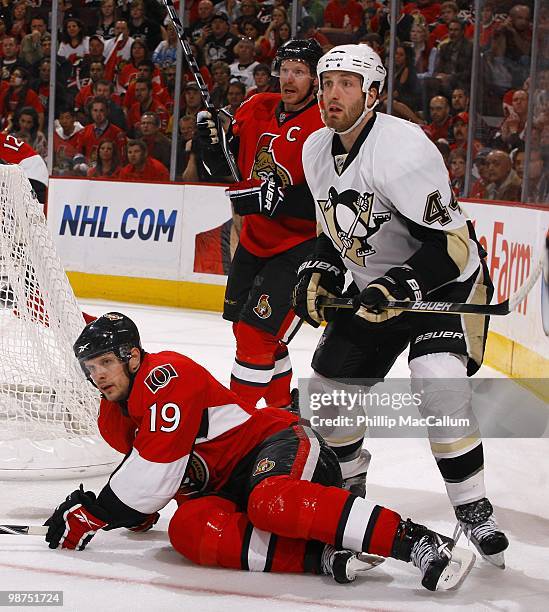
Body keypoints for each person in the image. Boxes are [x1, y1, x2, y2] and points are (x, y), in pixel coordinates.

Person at [43, 312, 475, 593]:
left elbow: (155, 470)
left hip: (279, 445)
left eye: (105, 363)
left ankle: (419, 541)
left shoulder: (165, 376)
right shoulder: (112, 418)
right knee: (188, 530)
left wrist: (98, 512)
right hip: (232, 488)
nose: (97, 375)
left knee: (268, 501)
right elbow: (163, 485)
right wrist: (134, 514)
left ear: (131, 357)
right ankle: (321, 556)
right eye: (90, 367)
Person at [292, 44, 509, 567]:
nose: (332, 94)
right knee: (329, 390)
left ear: (373, 93)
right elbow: (335, 230)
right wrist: (321, 268)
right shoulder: (316, 149)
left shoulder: (403, 149)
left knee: (439, 383)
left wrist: (401, 286)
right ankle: (350, 493)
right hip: (375, 291)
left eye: (347, 83)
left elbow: (453, 247)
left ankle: (473, 507)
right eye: (327, 83)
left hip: (441, 288)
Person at [196, 40, 324, 412]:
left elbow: (329, 194)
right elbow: (225, 168)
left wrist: (281, 198)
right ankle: (283, 409)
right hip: (253, 243)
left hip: (300, 248)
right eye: (285, 69)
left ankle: (237, 425)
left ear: (316, 80)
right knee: (247, 329)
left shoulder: (324, 126)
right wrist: (209, 144)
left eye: (299, 71)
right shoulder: (255, 108)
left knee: (256, 335)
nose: (289, 78)